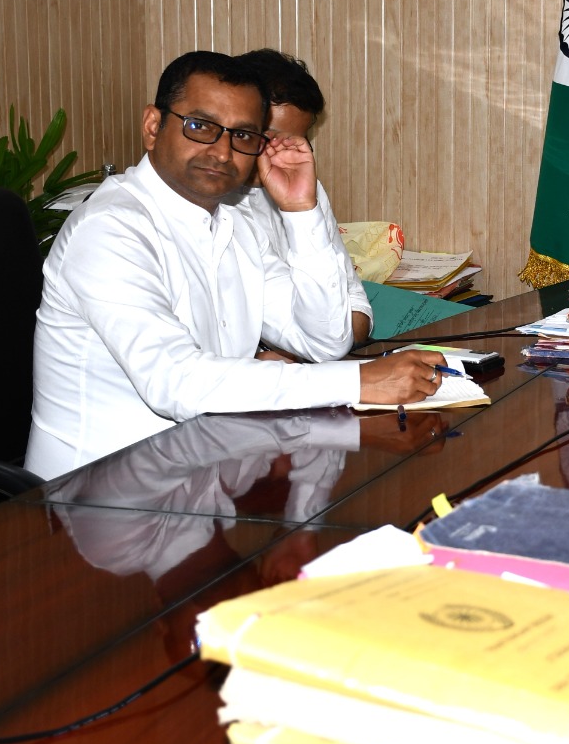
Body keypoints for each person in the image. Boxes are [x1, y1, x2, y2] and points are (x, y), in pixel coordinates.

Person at [27, 50, 442, 481]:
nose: (223, 152)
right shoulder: (109, 229)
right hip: (96, 496)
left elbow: (324, 340)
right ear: (153, 126)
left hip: (205, 478)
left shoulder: (234, 223)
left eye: (243, 135)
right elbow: (175, 383)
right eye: (200, 126)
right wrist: (359, 381)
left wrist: (301, 211)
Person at [233, 48, 372, 348]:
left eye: (296, 140)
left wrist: (315, 348)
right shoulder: (217, 206)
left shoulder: (303, 188)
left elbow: (354, 304)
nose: (280, 154)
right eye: (269, 139)